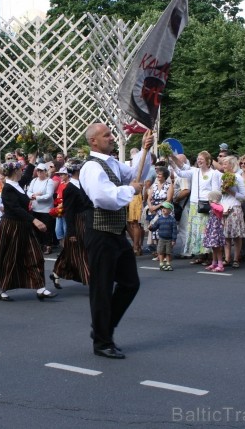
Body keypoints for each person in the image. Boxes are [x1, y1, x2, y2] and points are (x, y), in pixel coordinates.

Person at [79, 123, 152, 359]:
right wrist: (130, 190)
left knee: (130, 283)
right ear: (94, 142)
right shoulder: (91, 167)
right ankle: (102, 341)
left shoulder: (112, 163)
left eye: (111, 134)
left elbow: (136, 172)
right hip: (100, 233)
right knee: (101, 287)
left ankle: (103, 328)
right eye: (107, 135)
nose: (112, 138)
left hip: (115, 232)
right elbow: (104, 197)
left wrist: (145, 150)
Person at [0, 161, 56, 301]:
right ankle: (2, 288)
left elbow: (29, 172)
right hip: (12, 226)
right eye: (20, 169)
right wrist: (34, 220)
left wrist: (32, 154)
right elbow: (15, 209)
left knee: (35, 255)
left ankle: (40, 288)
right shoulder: (8, 189)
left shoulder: (17, 184)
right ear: (15, 171)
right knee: (12, 258)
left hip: (23, 226)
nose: (22, 171)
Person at [170, 151, 221, 264]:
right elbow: (182, 170)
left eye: (201, 159)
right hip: (194, 205)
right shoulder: (194, 171)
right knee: (196, 232)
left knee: (206, 231)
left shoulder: (214, 173)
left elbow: (216, 191)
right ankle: (200, 255)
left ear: (208, 161)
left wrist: (212, 203)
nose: (199, 160)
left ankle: (210, 256)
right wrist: (172, 159)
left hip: (207, 205)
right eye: (198, 158)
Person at [51, 159, 91, 288]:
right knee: (82, 251)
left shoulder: (82, 184)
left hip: (85, 220)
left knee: (71, 251)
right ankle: (90, 279)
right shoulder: (69, 188)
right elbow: (68, 211)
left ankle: (57, 272)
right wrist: (71, 231)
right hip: (77, 222)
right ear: (77, 170)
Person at [220, 156, 245, 268]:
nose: (223, 166)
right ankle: (227, 258)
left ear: (231, 165)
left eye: (225, 164)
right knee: (225, 236)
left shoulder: (238, 177)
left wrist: (231, 192)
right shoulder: (222, 177)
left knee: (236, 235)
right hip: (224, 208)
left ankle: (236, 258)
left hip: (235, 208)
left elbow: (243, 196)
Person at [27, 163, 55, 254]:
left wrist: (37, 197)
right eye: (38, 170)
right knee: (36, 228)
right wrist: (32, 195)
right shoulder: (34, 180)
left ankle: (48, 245)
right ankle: (39, 245)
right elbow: (29, 191)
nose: (39, 172)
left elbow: (49, 195)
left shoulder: (49, 181)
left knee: (46, 228)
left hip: (46, 209)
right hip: (35, 208)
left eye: (41, 171)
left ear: (45, 172)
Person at [148, 202, 178, 271]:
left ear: (170, 211)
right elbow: (155, 227)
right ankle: (161, 263)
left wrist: (174, 240)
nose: (163, 210)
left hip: (169, 239)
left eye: (166, 208)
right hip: (161, 238)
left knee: (168, 252)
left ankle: (168, 263)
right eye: (163, 208)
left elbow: (174, 231)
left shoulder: (172, 220)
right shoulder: (160, 219)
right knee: (160, 252)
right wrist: (150, 228)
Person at [203, 191, 226, 272]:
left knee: (217, 247)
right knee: (213, 247)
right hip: (211, 228)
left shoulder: (218, 206)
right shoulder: (213, 207)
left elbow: (220, 209)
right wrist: (206, 228)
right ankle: (214, 263)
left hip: (216, 229)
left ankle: (220, 265)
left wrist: (213, 203)